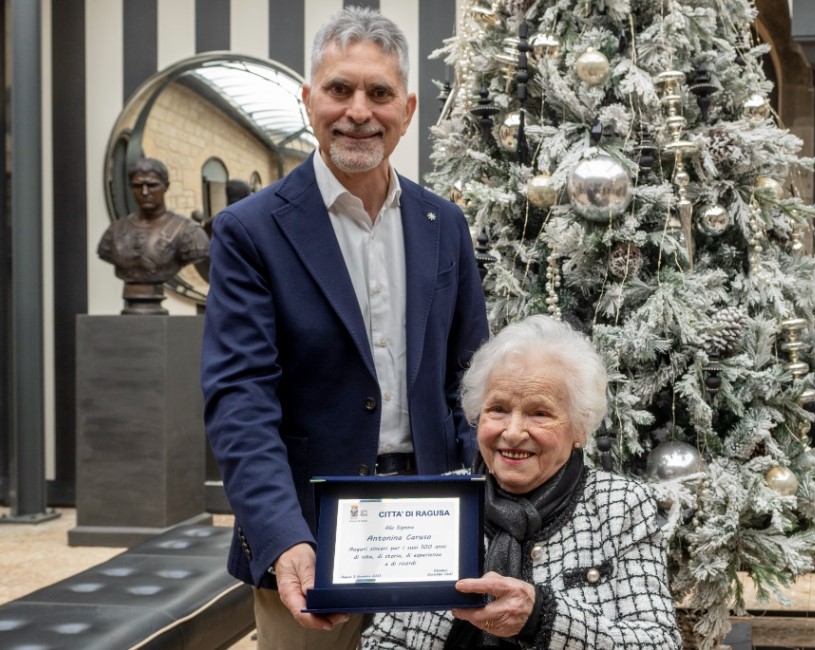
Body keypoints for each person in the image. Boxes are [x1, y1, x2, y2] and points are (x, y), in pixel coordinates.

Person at [200, 8, 489, 650]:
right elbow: (240, 401)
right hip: (307, 538)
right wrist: (281, 536)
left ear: (407, 109)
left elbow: (471, 384)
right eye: (339, 90)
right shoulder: (251, 232)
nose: (359, 110)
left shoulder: (446, 225)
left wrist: (481, 509)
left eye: (379, 93)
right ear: (309, 100)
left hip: (432, 530)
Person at [362, 315, 682, 649]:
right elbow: (383, 640)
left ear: (580, 428)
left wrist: (542, 617)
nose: (512, 432)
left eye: (539, 413)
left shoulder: (621, 506)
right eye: (498, 409)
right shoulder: (438, 500)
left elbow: (658, 642)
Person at [97, 157, 209, 314]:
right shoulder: (115, 231)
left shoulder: (188, 232)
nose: (144, 192)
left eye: (152, 185)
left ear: (166, 186)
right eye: (137, 186)